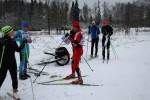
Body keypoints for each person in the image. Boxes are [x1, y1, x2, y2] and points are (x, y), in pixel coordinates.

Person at [0, 25, 26, 95]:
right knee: (1, 78)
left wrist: (23, 43)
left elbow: (18, 49)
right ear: (8, 33)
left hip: (12, 62)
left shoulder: (13, 40)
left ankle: (15, 91)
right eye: (12, 31)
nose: (13, 32)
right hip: (3, 63)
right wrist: (2, 42)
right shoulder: (2, 41)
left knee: (14, 77)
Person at [64, 20, 84, 84]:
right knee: (73, 62)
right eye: (73, 27)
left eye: (74, 27)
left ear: (76, 27)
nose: (72, 28)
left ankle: (80, 79)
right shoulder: (76, 32)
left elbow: (75, 43)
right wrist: (69, 37)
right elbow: (73, 42)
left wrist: (70, 38)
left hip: (78, 50)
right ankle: (73, 74)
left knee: (75, 64)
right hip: (76, 50)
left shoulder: (78, 33)